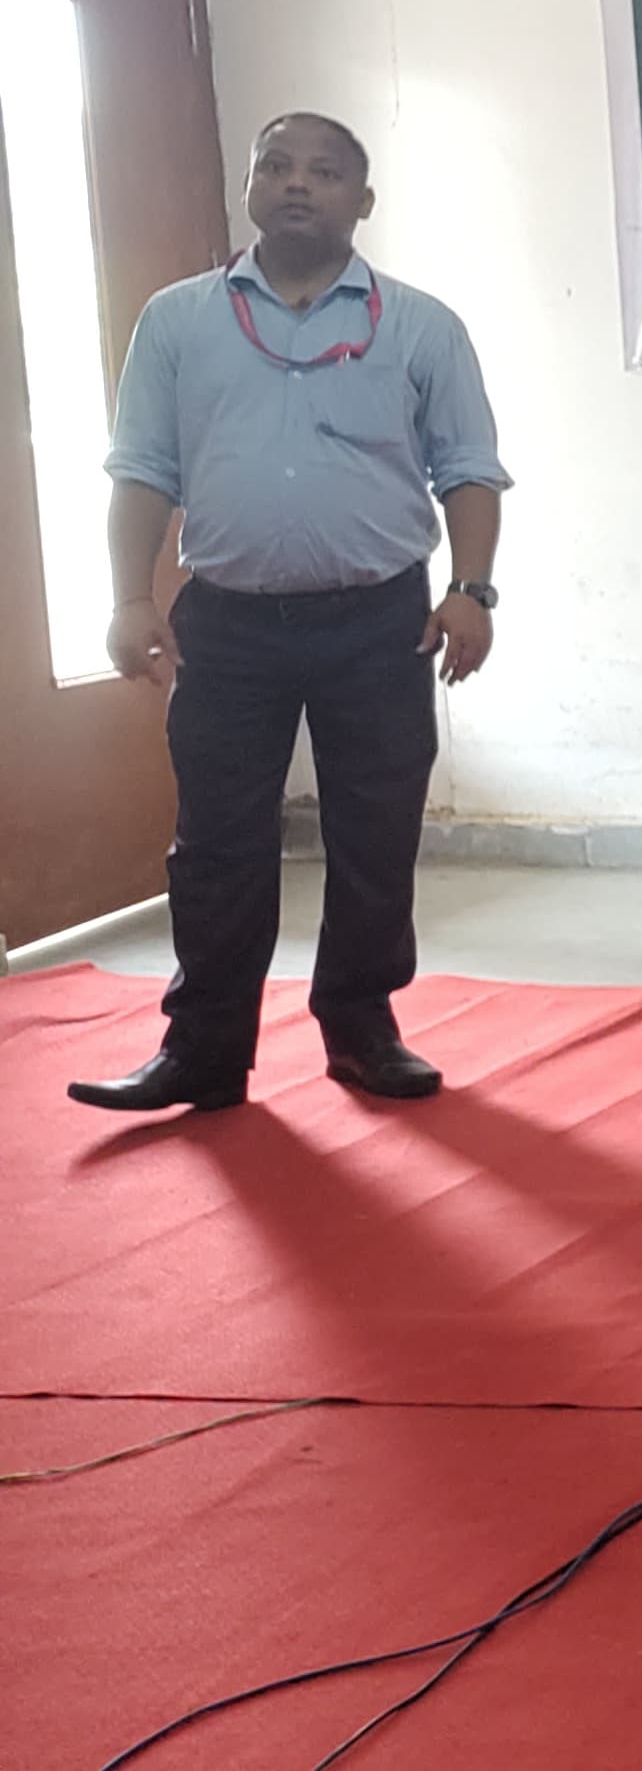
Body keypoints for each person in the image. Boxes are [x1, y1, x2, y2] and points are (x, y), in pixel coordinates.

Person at [69, 112, 508, 1113]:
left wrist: (471, 590)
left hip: (381, 623)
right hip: (226, 626)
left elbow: (469, 470)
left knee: (374, 832)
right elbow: (142, 470)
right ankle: (204, 1050)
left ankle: (362, 1028)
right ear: (251, 188)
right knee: (217, 842)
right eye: (277, 166)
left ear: (363, 199)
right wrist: (129, 596)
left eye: (324, 171)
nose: (298, 183)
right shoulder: (178, 322)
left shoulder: (421, 326)